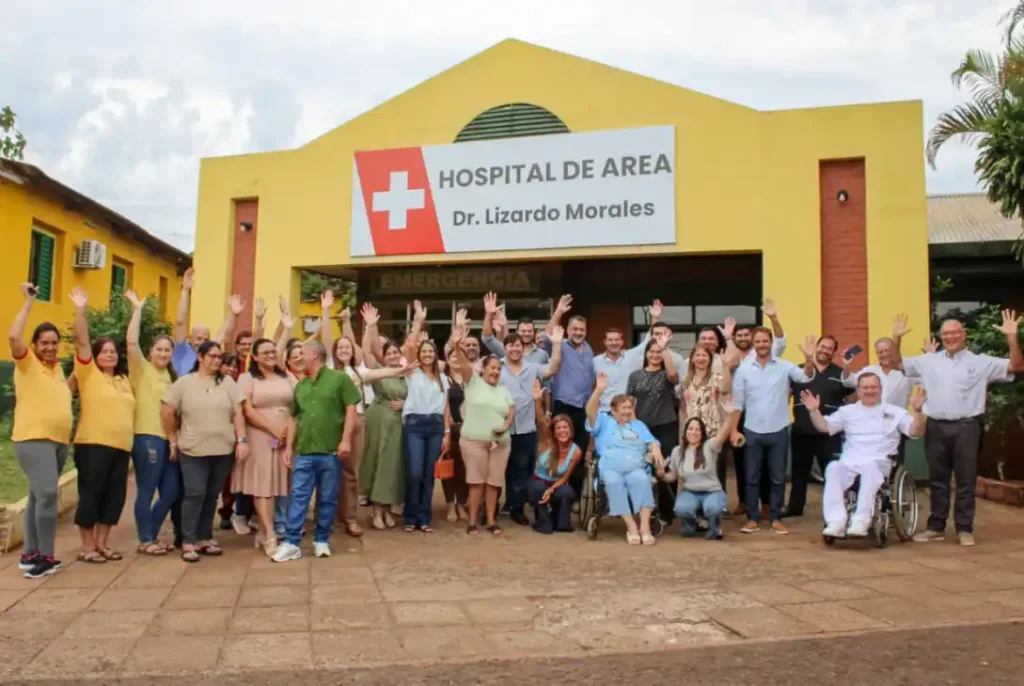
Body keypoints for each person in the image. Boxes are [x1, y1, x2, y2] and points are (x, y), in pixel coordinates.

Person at [893, 311, 1022, 547]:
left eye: (954, 333)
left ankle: (964, 528)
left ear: (964, 335)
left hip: (967, 426)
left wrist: (1011, 337)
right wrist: (896, 338)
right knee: (938, 479)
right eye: (945, 334)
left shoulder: (980, 362)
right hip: (936, 427)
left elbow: (1016, 365)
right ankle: (936, 527)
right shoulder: (928, 361)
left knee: (966, 479)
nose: (950, 337)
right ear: (941, 337)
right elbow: (896, 363)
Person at [801, 375, 927, 537]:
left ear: (881, 389)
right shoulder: (847, 411)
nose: (869, 391)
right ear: (858, 391)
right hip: (850, 461)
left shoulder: (895, 412)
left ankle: (861, 520)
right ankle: (836, 522)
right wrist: (814, 411)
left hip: (879, 462)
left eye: (873, 387)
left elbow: (916, 431)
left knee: (869, 467)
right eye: (865, 388)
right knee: (833, 468)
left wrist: (917, 411)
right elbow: (825, 427)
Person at [273, 340, 361, 562]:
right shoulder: (301, 385)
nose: (298, 357)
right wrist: (290, 447)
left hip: (331, 451)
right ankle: (291, 542)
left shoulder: (340, 379)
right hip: (304, 452)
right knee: (298, 496)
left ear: (314, 355)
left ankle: (322, 540)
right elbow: (293, 417)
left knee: (328, 497)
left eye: (301, 353)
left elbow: (351, 409)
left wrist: (346, 440)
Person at [161, 341, 248, 563]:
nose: (217, 360)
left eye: (219, 357)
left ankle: (204, 536)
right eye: (212, 356)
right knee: (194, 493)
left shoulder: (227, 383)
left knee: (211, 495)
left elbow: (238, 413)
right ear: (200, 357)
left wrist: (242, 440)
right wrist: (173, 439)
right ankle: (188, 540)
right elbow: (167, 411)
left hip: (223, 449)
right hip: (193, 449)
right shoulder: (184, 383)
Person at [9, 282, 73, 579]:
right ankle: (45, 558)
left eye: (53, 342)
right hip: (34, 439)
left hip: (58, 441)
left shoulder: (57, 369)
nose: (49, 347)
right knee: (48, 494)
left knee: (38, 496)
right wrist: (28, 302)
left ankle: (30, 553)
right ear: (35, 345)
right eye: (44, 342)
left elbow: (62, 393)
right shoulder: (27, 364)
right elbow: (13, 336)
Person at [68, 287, 135, 564]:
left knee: (114, 497)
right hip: (92, 445)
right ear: (95, 356)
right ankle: (86, 547)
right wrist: (80, 309)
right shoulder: (88, 373)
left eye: (113, 351)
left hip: (121, 447)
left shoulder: (124, 380)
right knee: (91, 494)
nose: (111, 355)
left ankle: (103, 543)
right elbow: (81, 341)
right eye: (105, 351)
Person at [730, 330, 816, 535]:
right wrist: (733, 430)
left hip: (779, 430)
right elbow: (738, 404)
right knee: (752, 477)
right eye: (757, 341)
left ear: (771, 343)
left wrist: (809, 359)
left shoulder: (784, 366)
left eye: (765, 341)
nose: (761, 344)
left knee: (777, 477)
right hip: (752, 430)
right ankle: (752, 518)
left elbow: (806, 377)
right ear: (753, 343)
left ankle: (776, 518)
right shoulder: (744, 370)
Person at [449, 318, 515, 535]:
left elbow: (511, 411)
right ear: (484, 369)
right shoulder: (473, 382)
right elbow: (463, 363)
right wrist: (457, 345)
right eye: (492, 368)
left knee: (494, 483)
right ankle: (473, 523)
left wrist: (505, 426)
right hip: (474, 441)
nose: (495, 371)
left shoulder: (504, 389)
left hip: (500, 444)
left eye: (498, 369)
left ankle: (491, 521)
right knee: (476, 482)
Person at [124, 291, 178, 556]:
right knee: (146, 489)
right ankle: (146, 539)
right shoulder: (142, 369)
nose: (163, 353)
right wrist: (137, 309)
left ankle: (151, 535)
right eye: (159, 348)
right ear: (151, 351)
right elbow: (131, 344)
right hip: (147, 438)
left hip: (169, 440)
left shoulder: (171, 375)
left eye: (168, 350)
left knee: (171, 491)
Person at [586, 372, 666, 545]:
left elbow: (651, 441)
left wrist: (656, 449)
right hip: (610, 467)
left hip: (635, 467)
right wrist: (599, 389)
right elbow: (590, 411)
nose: (627, 411)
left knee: (642, 480)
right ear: (613, 410)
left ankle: (644, 527)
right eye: (623, 408)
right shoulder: (603, 421)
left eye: (629, 408)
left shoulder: (638, 425)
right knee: (614, 483)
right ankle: (631, 527)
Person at [232, 339, 295, 557]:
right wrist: (273, 429)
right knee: (263, 487)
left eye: (273, 350)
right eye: (265, 352)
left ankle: (263, 531)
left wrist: (287, 431)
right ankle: (269, 534)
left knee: (278, 486)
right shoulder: (247, 378)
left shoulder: (287, 376)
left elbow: (299, 402)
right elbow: (246, 409)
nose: (270, 355)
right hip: (260, 437)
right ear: (255, 357)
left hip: (286, 438)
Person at [498, 326, 563, 526]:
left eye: (518, 345)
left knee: (521, 469)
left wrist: (557, 344)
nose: (515, 349)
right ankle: (491, 507)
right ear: (505, 348)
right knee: (497, 468)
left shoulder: (533, 367)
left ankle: (516, 507)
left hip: (526, 426)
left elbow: (553, 368)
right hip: (500, 426)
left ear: (522, 347)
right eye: (510, 346)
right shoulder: (495, 366)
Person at [321, 290, 373, 537]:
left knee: (351, 473)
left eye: (347, 347)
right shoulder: (329, 368)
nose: (344, 349)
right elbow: (327, 336)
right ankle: (328, 516)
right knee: (330, 470)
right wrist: (325, 311)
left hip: (357, 422)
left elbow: (352, 341)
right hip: (333, 424)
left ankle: (350, 518)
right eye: (339, 347)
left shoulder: (357, 369)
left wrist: (347, 323)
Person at [787, 335, 855, 518]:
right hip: (802, 429)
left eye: (829, 348)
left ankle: (834, 510)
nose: (824, 350)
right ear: (816, 348)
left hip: (829, 432)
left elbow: (853, 395)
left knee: (832, 473)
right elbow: (787, 392)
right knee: (799, 472)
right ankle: (795, 508)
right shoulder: (799, 371)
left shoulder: (840, 374)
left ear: (833, 353)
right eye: (822, 346)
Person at [359, 304, 409, 529]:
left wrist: (406, 403)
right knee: (377, 464)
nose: (392, 356)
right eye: (389, 353)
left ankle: (389, 507)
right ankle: (376, 511)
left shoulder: (406, 374)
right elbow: (368, 353)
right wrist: (371, 326)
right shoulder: (379, 369)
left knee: (394, 466)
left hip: (399, 425)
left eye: (396, 353)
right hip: (379, 421)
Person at [659, 400, 735, 540]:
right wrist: (662, 475)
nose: (693, 432)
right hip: (690, 492)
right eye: (690, 429)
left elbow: (723, 432)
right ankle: (692, 525)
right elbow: (673, 477)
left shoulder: (710, 446)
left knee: (712, 508)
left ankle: (714, 527)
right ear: (685, 431)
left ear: (702, 433)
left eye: (697, 429)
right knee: (682, 510)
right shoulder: (677, 451)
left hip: (712, 491)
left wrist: (729, 415)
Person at [842, 315, 915, 459]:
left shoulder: (907, 373)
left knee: (895, 463)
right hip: (869, 425)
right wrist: (846, 365)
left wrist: (897, 338)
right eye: (880, 352)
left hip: (896, 425)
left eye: (887, 350)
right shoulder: (870, 370)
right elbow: (848, 381)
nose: (884, 354)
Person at [400, 335, 450, 533]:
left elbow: (446, 406)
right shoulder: (412, 373)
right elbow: (410, 346)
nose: (427, 354)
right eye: (424, 352)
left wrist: (447, 432)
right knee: (415, 473)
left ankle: (424, 517)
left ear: (435, 354)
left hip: (436, 425)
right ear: (419, 355)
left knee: (429, 475)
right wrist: (419, 322)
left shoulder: (442, 378)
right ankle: (410, 516)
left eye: (430, 351)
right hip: (415, 424)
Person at [527, 380, 582, 534]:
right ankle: (543, 522)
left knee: (566, 492)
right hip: (539, 481)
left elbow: (565, 478)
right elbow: (541, 421)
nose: (562, 431)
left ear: (571, 430)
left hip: (557, 483)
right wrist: (538, 400)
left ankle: (561, 521)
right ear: (554, 431)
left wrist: (551, 490)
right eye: (558, 428)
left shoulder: (576, 451)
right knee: (538, 489)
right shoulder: (546, 442)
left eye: (565, 427)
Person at [681, 347, 734, 504]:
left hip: (711, 433)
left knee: (713, 471)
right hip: (691, 433)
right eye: (697, 355)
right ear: (691, 359)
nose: (700, 358)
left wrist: (725, 365)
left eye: (704, 355)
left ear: (710, 359)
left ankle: (716, 508)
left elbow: (725, 389)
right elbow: (683, 408)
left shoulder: (715, 378)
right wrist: (682, 433)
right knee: (693, 471)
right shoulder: (686, 381)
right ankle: (695, 508)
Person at [170, 267, 242, 375]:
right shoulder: (182, 350)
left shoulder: (210, 353)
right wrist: (185, 290)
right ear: (190, 338)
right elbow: (180, 322)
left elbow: (223, 334)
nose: (202, 342)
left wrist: (233, 314)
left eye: (206, 339)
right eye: (198, 338)